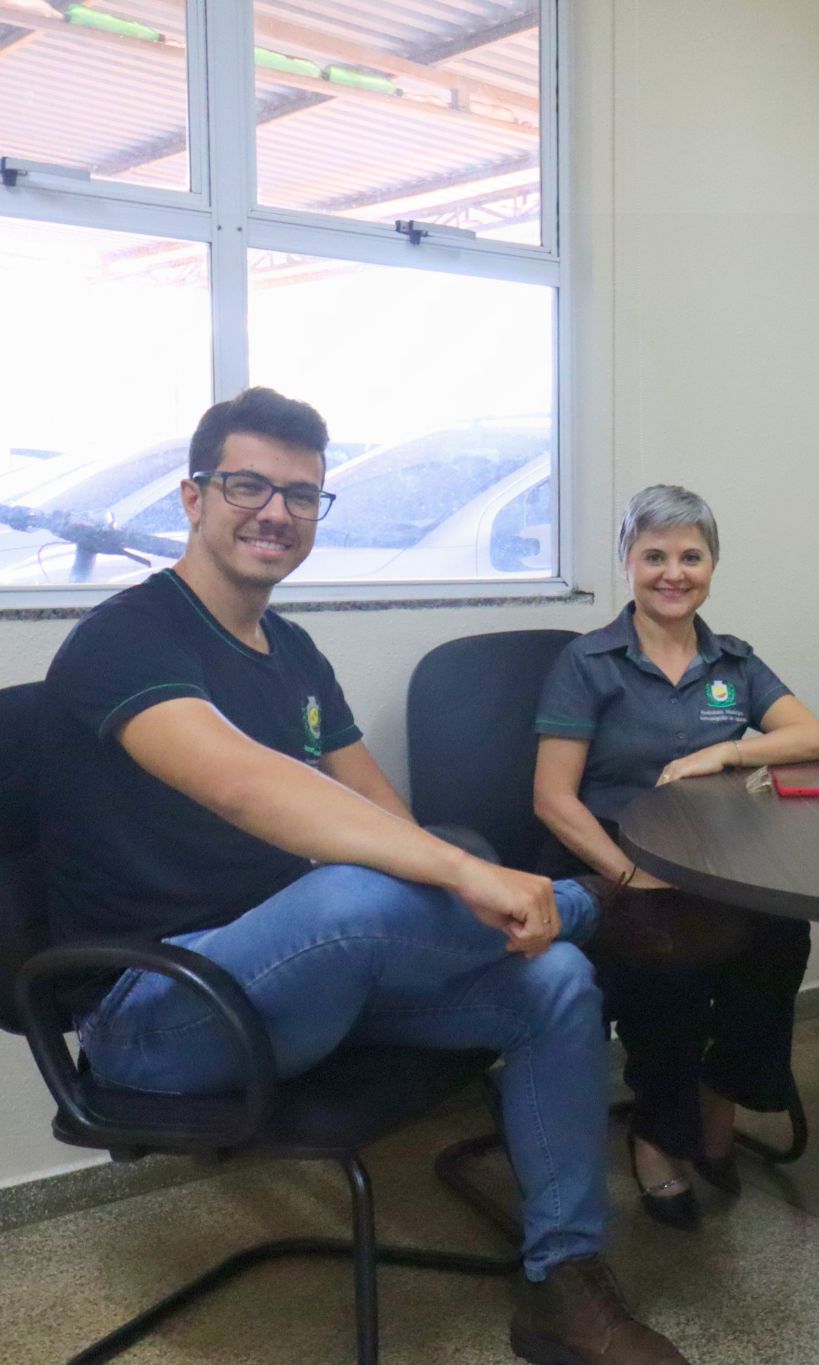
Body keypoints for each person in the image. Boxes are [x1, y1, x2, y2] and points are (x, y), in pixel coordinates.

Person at [38, 390, 691, 1364]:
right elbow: (246, 785)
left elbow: (384, 819)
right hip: (162, 1007)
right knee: (362, 888)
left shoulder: (295, 654)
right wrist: (482, 879)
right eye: (248, 485)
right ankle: (599, 904)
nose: (276, 512)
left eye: (301, 495)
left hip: (298, 978)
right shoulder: (126, 638)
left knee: (550, 979)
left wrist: (463, 871)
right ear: (193, 496)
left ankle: (563, 1283)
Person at [533, 485, 819, 1229]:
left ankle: (718, 1100)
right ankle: (659, 1135)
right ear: (627, 564)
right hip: (612, 857)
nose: (674, 573)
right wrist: (630, 876)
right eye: (655, 556)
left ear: (713, 565)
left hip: (711, 860)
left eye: (691, 556)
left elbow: (811, 736)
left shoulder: (733, 662)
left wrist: (726, 751)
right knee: (665, 959)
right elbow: (553, 799)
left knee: (781, 934)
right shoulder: (587, 662)